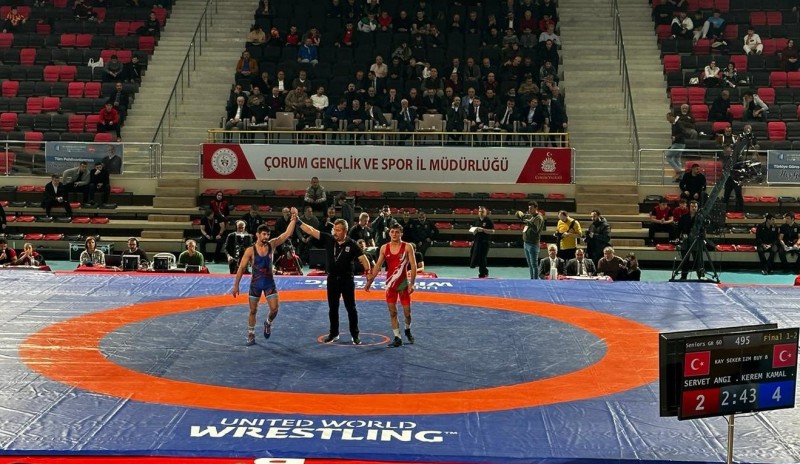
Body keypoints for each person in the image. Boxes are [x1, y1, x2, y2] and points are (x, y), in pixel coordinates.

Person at [296, 217, 372, 345]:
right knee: (333, 308)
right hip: (332, 279)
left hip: (347, 280)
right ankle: (333, 333)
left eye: (338, 230)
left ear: (345, 231)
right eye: (334, 230)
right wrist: (298, 221)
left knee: (351, 308)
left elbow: (364, 259)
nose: (335, 233)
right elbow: (311, 230)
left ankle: (355, 335)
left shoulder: (352, 244)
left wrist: (368, 273)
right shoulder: (329, 239)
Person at [232, 214, 298, 347]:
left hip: (269, 283)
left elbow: (286, 234)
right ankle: (251, 333)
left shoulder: (271, 245)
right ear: (257, 235)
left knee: (274, 309)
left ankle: (268, 322)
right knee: (253, 310)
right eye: (264, 234)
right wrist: (236, 285)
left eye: (268, 234)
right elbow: (241, 268)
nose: (266, 237)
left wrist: (293, 220)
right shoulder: (250, 250)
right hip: (255, 284)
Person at [365, 223, 418, 347]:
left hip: (403, 284)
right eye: (392, 232)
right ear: (389, 233)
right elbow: (378, 265)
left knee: (407, 313)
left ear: (401, 233)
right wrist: (370, 282)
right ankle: (397, 337)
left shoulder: (407, 247)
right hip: (390, 285)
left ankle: (407, 329)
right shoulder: (384, 248)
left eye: (397, 232)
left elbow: (413, 265)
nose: (394, 234)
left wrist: (412, 283)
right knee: (392, 312)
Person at [517, 201, 545, 279]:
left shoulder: (538, 217)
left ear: (536, 208)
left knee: (534, 265)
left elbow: (536, 229)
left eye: (531, 208)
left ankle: (535, 281)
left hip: (533, 244)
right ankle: (532, 279)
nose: (529, 210)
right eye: (529, 208)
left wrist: (527, 221)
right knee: (530, 265)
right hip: (526, 243)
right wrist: (521, 216)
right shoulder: (532, 216)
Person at [469, 206, 495, 278]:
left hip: (485, 242)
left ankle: (483, 272)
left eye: (482, 212)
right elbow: (473, 229)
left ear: (486, 212)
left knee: (482, 257)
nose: (481, 213)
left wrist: (483, 230)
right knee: (476, 256)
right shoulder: (476, 220)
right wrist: (475, 231)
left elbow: (493, 231)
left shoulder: (488, 220)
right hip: (477, 241)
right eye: (480, 211)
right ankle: (483, 271)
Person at [720, 145, 743, 213]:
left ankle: (739, 211)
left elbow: (741, 166)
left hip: (736, 178)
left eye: (726, 150)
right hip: (728, 178)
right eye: (724, 150)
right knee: (726, 195)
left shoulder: (738, 157)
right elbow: (724, 166)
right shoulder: (725, 158)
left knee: (738, 195)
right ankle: (723, 211)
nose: (725, 152)